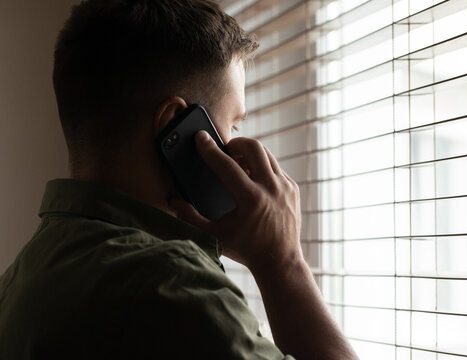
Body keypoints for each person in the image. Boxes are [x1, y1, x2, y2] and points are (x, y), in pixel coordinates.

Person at [0, 0, 359, 359]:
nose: (237, 144)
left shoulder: (22, 276)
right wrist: (282, 261)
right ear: (177, 126)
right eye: (233, 124)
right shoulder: (173, 288)